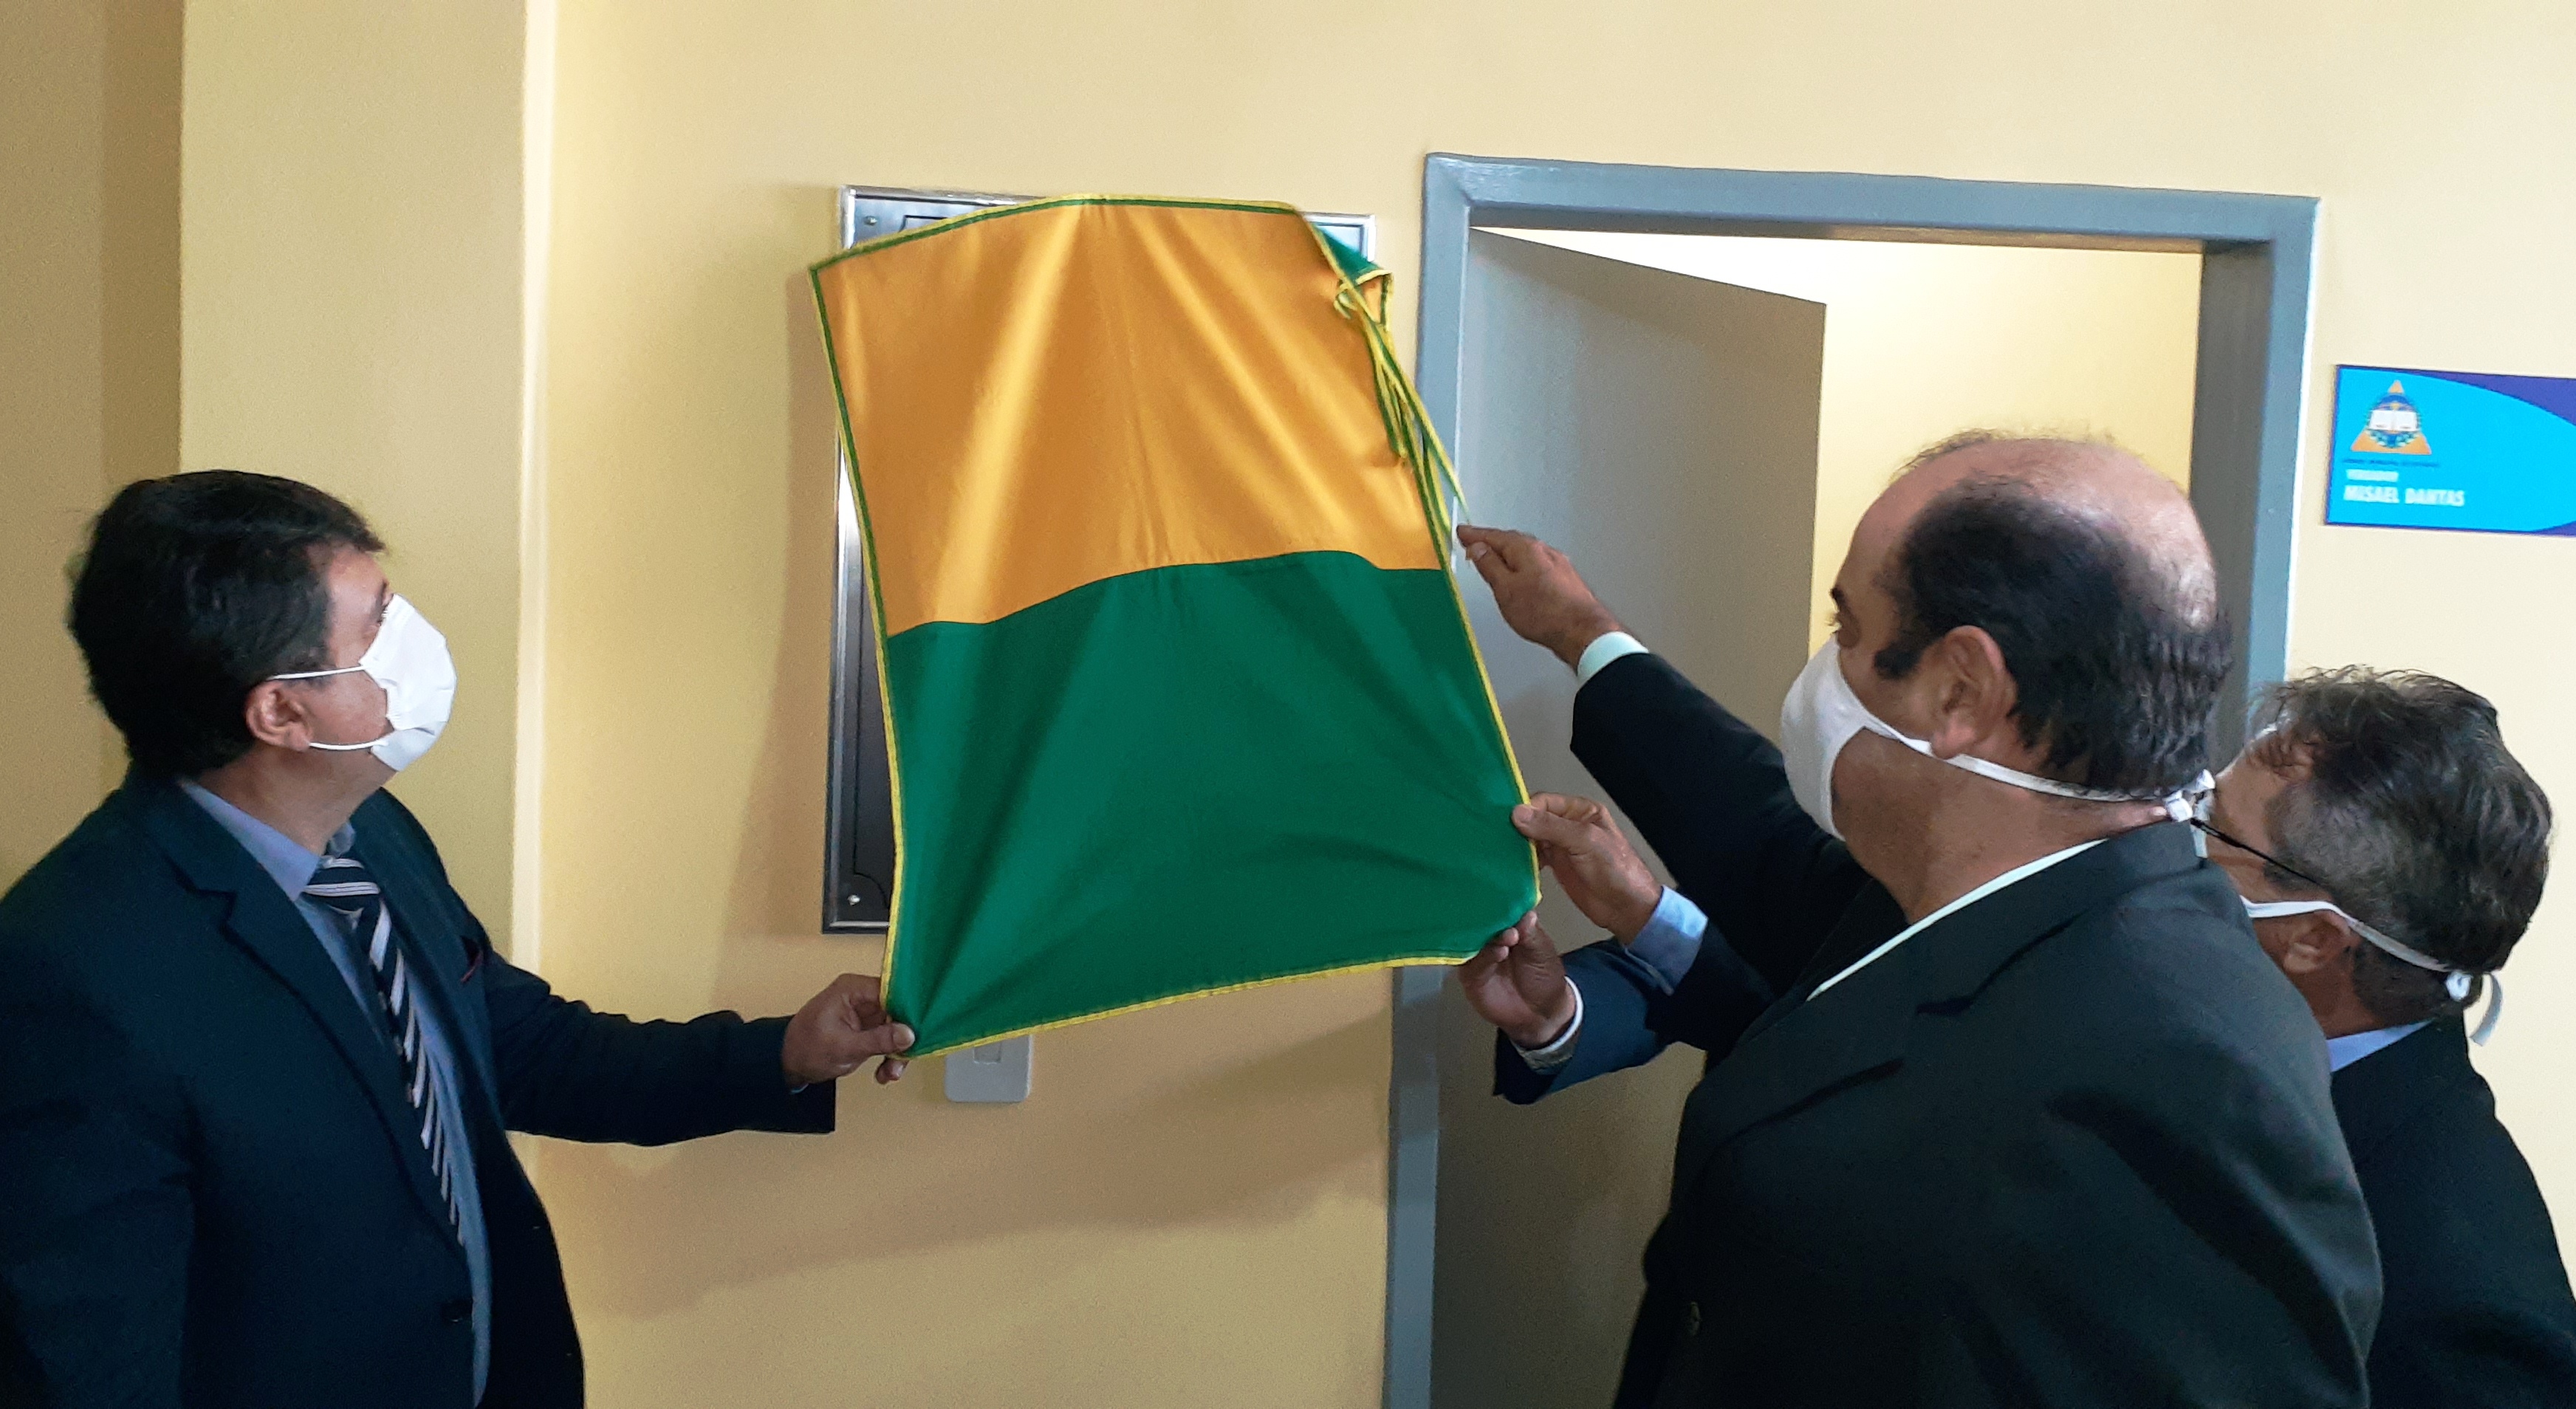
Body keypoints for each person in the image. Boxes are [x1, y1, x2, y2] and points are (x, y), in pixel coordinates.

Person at [1452, 434, 2380, 1406]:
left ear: (1960, 692)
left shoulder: (2179, 1068)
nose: (1828, 664)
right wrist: (1584, 635)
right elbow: (1761, 839)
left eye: (1847, 628)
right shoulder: (1982, 891)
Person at [0, 471, 917, 1409]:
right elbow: (93, 1360)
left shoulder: (372, 834)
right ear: (281, 712)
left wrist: (783, 1053)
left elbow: (521, 1048)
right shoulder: (73, 971)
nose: (417, 638)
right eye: (377, 624)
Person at [2195, 667, 2576, 1404]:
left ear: (2314, 938)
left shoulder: (2456, 1304)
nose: (2174, 838)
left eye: (2211, 827)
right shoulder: (2253, 1072)